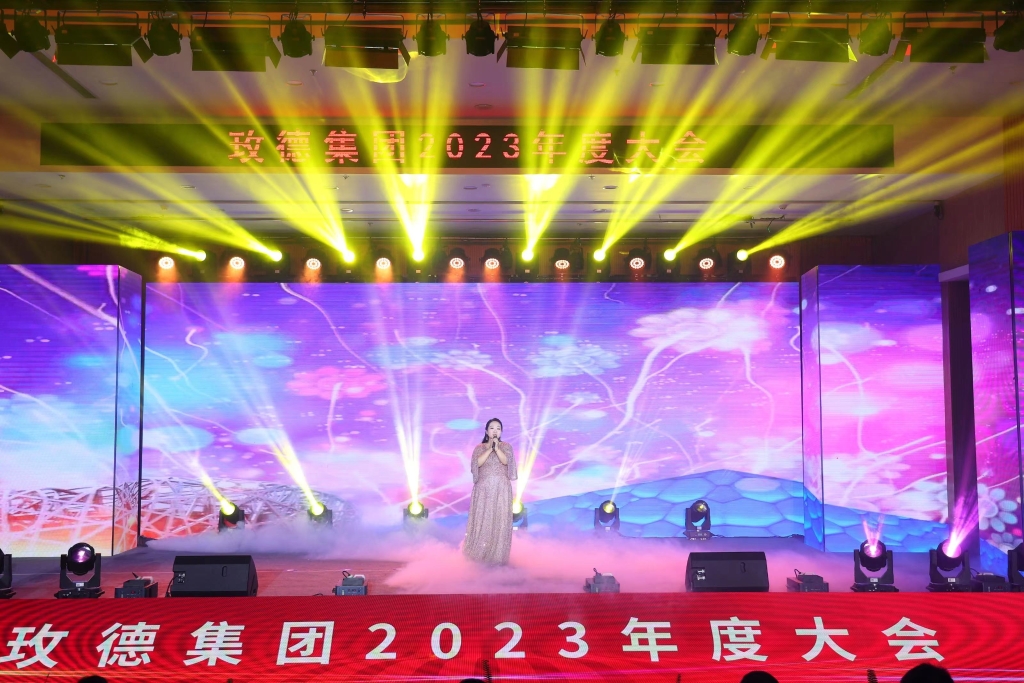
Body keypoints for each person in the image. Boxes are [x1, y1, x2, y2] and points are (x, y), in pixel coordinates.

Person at [463, 417, 517, 565]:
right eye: (492, 428)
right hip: (483, 491)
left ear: (501, 432)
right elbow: (477, 464)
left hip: (501, 490)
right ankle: (477, 557)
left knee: (499, 522)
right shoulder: (479, 448)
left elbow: (506, 461)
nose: (495, 431)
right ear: (487, 431)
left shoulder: (506, 447)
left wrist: (497, 448)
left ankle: (497, 558)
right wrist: (489, 448)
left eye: (498, 428)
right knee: (482, 521)